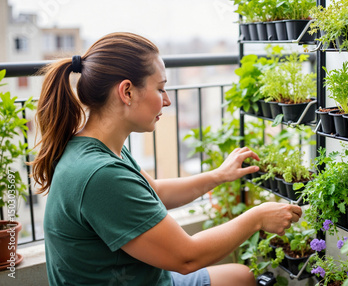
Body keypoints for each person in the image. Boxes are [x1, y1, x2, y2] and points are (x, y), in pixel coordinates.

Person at [31, 32, 302, 286]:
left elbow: (155, 193)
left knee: (241, 276)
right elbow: (186, 257)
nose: (167, 100)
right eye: (160, 89)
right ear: (126, 92)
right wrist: (256, 218)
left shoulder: (96, 147)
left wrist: (219, 175)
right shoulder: (100, 174)